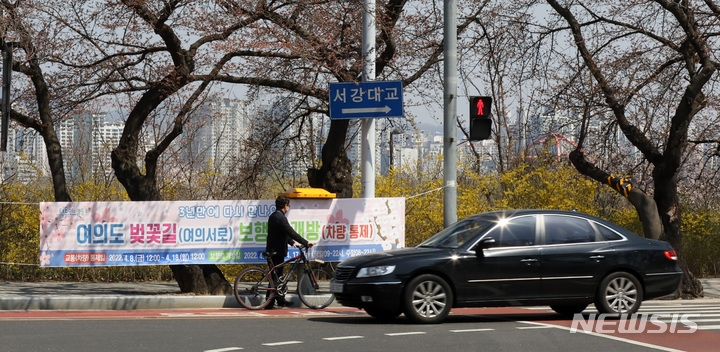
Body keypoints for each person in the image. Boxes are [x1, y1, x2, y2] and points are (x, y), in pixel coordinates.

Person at [265, 195, 312, 308]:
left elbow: (283, 233)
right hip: (276, 251)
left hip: (274, 249)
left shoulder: (274, 216)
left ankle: (280, 301)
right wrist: (305, 242)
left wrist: (292, 243)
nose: (288, 208)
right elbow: (290, 232)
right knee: (275, 278)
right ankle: (269, 302)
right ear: (285, 206)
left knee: (278, 276)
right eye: (288, 206)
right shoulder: (280, 218)